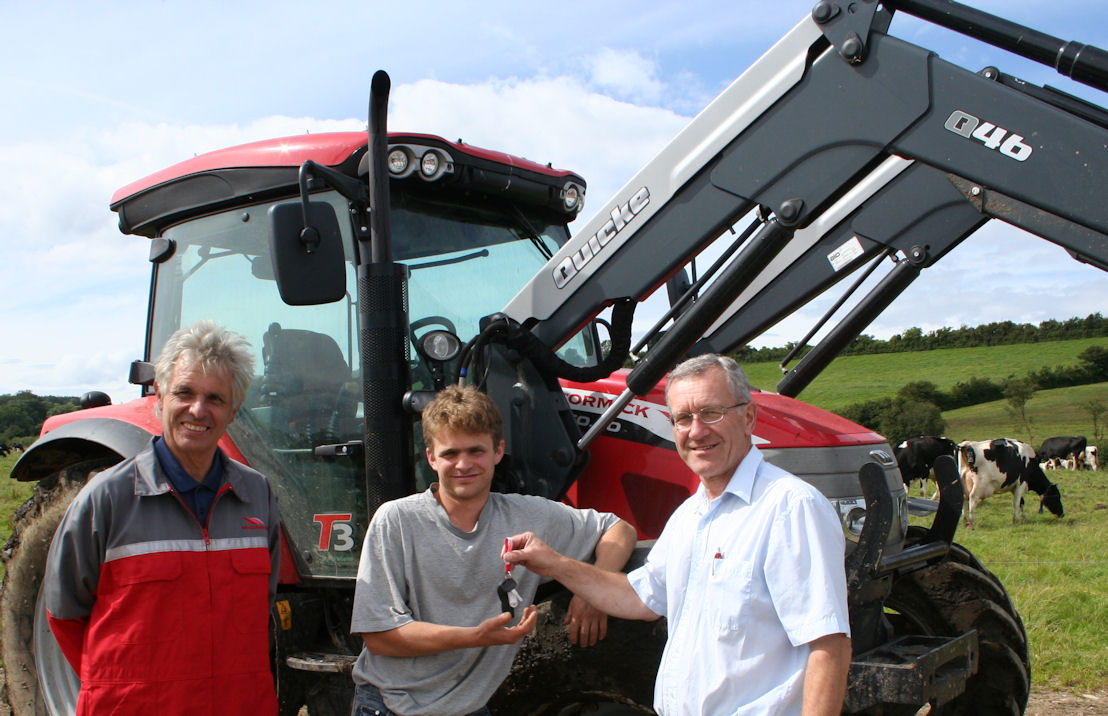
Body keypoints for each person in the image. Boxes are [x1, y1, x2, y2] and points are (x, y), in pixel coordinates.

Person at [504, 354, 852, 716]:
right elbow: (640, 598)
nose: (696, 431)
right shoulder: (690, 515)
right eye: (683, 418)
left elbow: (829, 646)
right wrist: (556, 563)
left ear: (748, 417)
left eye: (711, 412)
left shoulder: (788, 507)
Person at [350, 385, 636, 716]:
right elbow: (380, 637)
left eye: (476, 451)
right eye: (450, 454)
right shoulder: (397, 521)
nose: (463, 464)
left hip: (469, 706)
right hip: (392, 704)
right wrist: (474, 637)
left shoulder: (528, 516)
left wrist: (594, 588)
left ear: (498, 451)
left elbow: (618, 529)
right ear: (430, 458)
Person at [43, 320, 281, 716]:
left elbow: (261, 606)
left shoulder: (257, 495)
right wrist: (123, 684)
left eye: (215, 398)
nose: (198, 410)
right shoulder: (107, 498)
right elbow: (65, 614)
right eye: (184, 393)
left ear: (234, 410)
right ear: (160, 395)